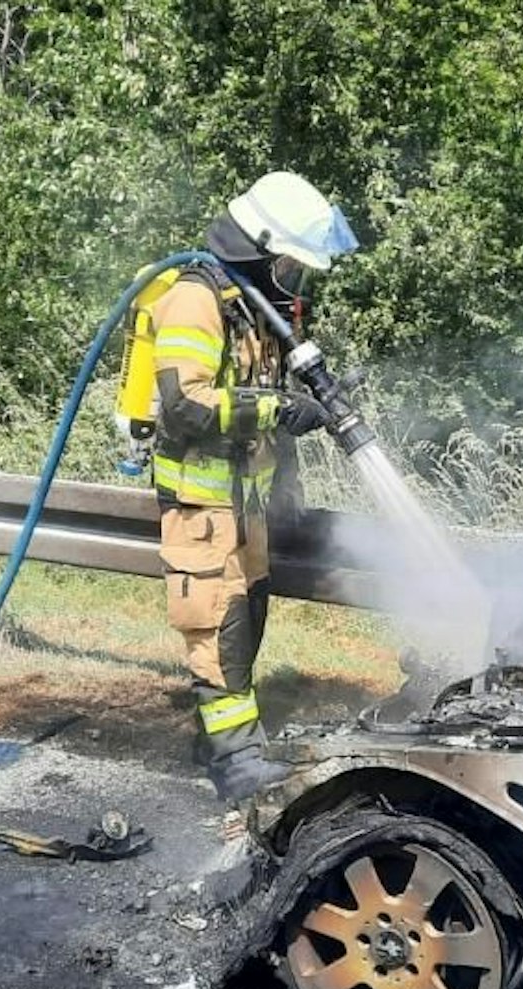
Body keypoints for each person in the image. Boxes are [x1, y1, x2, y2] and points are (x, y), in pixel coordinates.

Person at [149, 172, 359, 800]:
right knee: (216, 629)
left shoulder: (250, 306)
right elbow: (185, 404)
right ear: (262, 247)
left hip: (246, 507)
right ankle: (233, 763)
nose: (293, 284)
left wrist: (287, 477)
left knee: (245, 622)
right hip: (201, 506)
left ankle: (239, 742)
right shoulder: (196, 298)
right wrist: (277, 409)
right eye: (291, 268)